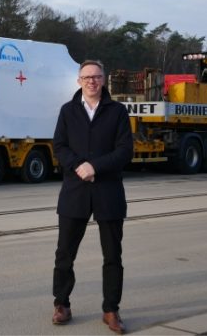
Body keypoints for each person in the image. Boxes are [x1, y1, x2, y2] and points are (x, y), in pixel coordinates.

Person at [51, 60, 133, 334]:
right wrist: (78, 166)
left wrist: (95, 167)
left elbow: (124, 151)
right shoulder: (68, 111)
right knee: (64, 254)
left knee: (113, 256)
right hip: (75, 192)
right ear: (79, 81)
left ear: (104, 80)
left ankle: (111, 309)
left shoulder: (118, 112)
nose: (91, 81)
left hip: (108, 192)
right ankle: (61, 304)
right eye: (86, 77)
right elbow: (59, 146)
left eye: (96, 77)